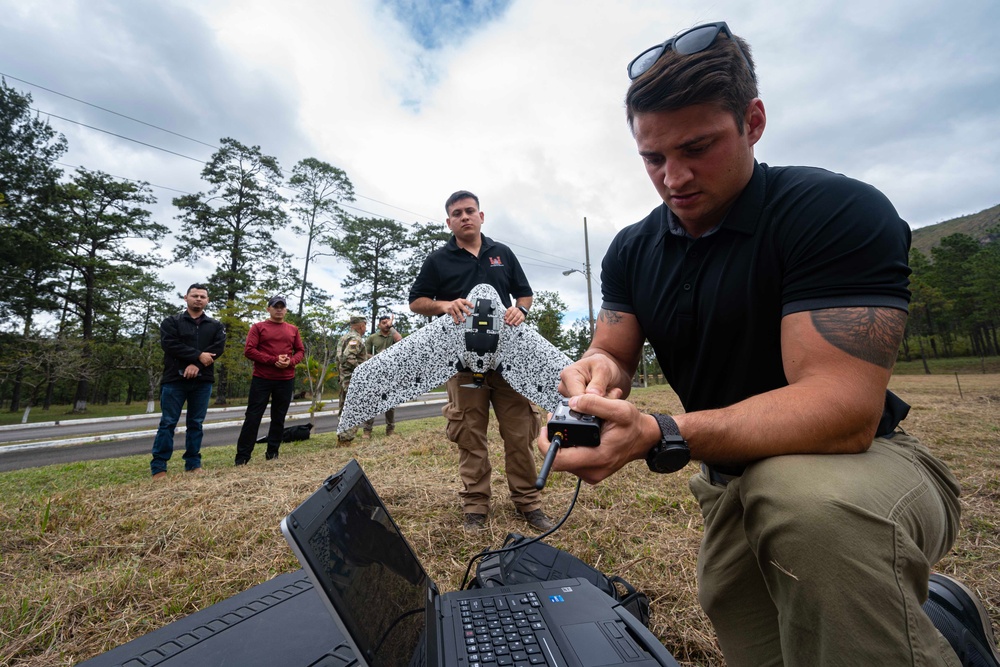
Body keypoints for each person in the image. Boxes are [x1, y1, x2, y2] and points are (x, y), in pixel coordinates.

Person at [541, 22, 999, 667]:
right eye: (653, 157)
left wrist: (661, 430)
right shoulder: (632, 247)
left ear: (753, 121)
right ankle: (933, 617)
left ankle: (937, 624)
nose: (674, 177)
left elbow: (843, 412)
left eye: (699, 147)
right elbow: (611, 348)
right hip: (730, 479)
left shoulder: (833, 211)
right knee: (768, 646)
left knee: (802, 503)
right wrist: (594, 373)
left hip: (866, 468)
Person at [409, 190, 554, 533]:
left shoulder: (502, 253)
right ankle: (476, 505)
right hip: (462, 364)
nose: (464, 217)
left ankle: (528, 502)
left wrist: (522, 309)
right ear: (449, 222)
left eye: (469, 211)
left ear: (481, 216)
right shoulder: (438, 259)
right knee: (469, 434)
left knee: (519, 432)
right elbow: (417, 301)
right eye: (457, 213)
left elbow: (525, 293)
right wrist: (444, 305)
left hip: (507, 361)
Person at [150, 283, 226, 478]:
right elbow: (170, 345)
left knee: (196, 423)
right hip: (175, 379)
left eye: (202, 296)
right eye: (195, 295)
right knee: (168, 422)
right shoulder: (171, 322)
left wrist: (198, 365)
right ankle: (159, 467)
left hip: (203, 381)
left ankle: (193, 463)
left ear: (207, 300)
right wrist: (198, 355)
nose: (198, 299)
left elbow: (217, 349)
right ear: (186, 298)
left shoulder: (215, 326)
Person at [234, 295, 305, 465]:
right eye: (275, 306)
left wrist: (291, 362)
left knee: (279, 417)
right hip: (262, 379)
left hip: (285, 379)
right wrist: (273, 360)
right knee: (253, 417)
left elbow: (300, 351)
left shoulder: (292, 329)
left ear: (286, 310)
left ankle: (272, 453)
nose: (279, 309)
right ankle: (242, 457)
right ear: (269, 309)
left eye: (282, 306)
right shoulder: (258, 327)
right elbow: (249, 351)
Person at [362, 314, 403, 437]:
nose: (386, 324)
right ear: (379, 325)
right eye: (383, 322)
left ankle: (390, 429)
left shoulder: (393, 335)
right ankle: (367, 430)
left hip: (390, 372)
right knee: (372, 401)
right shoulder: (372, 338)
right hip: (376, 372)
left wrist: (392, 327)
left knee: (390, 402)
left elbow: (400, 341)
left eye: (387, 322)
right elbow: (365, 354)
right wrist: (376, 357)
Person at [336, 314, 371, 444]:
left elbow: (340, 358)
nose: (365, 328)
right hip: (352, 380)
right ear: (361, 325)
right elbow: (348, 357)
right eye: (365, 325)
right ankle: (346, 439)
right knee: (352, 409)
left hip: (344, 378)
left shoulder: (344, 337)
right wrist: (361, 370)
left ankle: (342, 437)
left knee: (344, 408)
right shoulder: (355, 339)